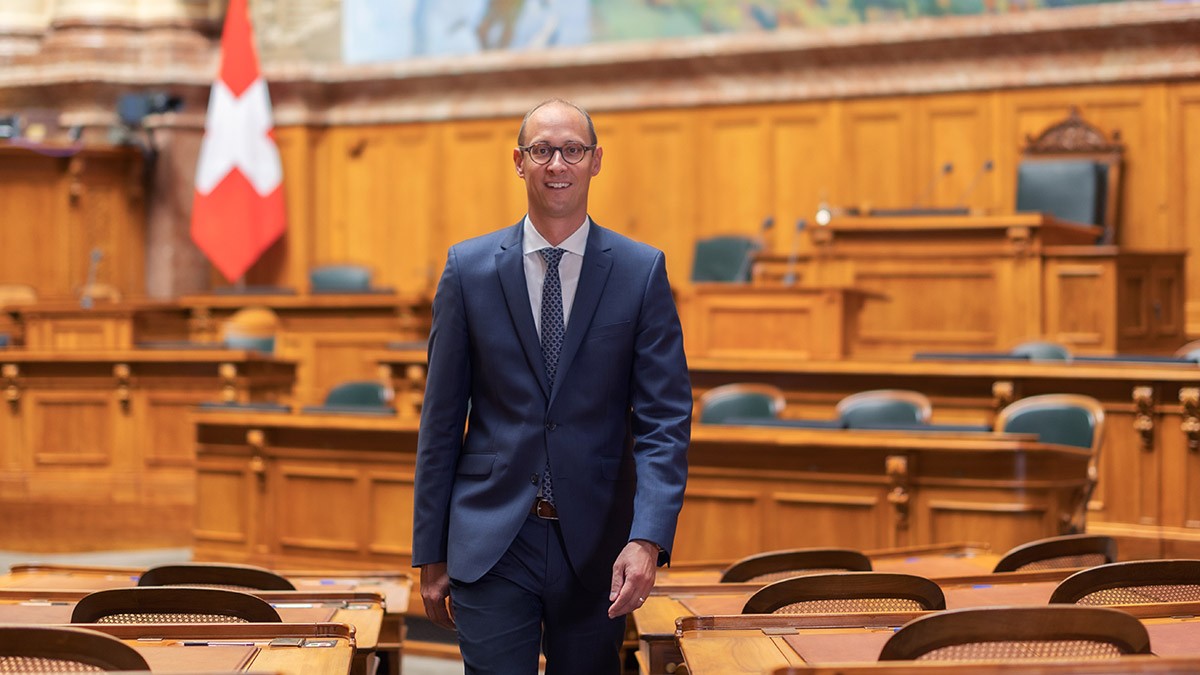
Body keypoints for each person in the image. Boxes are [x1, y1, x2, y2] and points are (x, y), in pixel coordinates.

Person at [411, 98, 692, 674]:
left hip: (598, 544)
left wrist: (649, 538)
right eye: (542, 150)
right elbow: (440, 422)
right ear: (519, 161)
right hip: (491, 538)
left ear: (595, 162)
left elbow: (665, 421)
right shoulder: (468, 269)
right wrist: (430, 550)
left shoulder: (642, 272)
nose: (557, 164)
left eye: (572, 150)